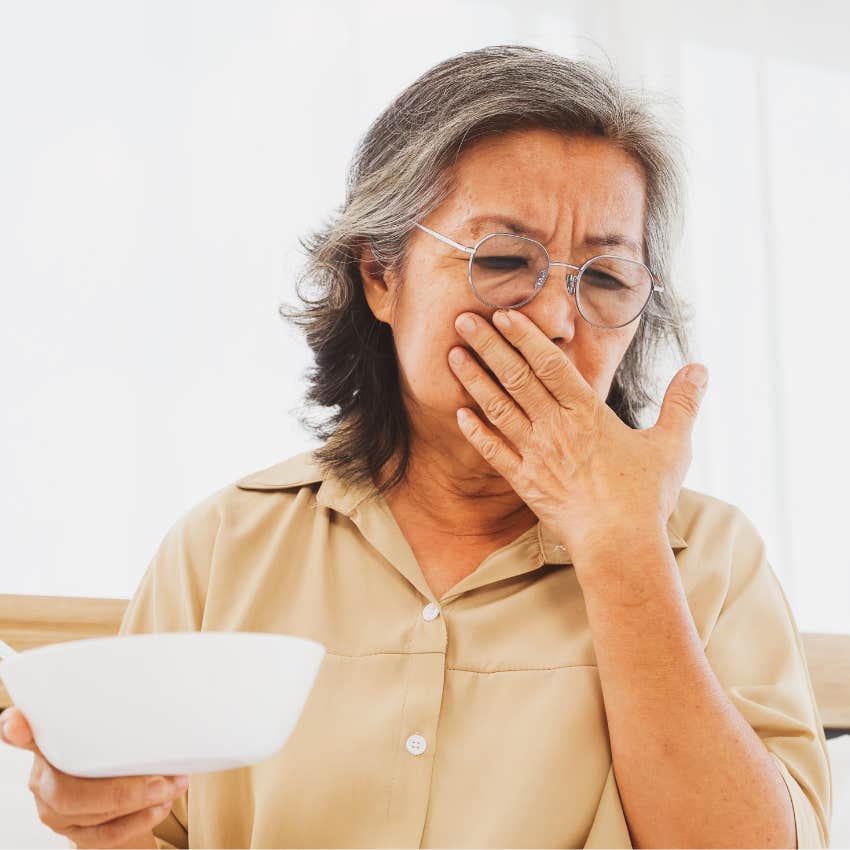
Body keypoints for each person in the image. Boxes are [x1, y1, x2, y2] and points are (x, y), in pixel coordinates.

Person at [0, 44, 831, 849]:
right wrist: (101, 823)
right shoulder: (222, 550)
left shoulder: (715, 560)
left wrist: (621, 544)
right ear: (380, 275)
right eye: (506, 259)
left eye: (606, 278)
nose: (553, 320)